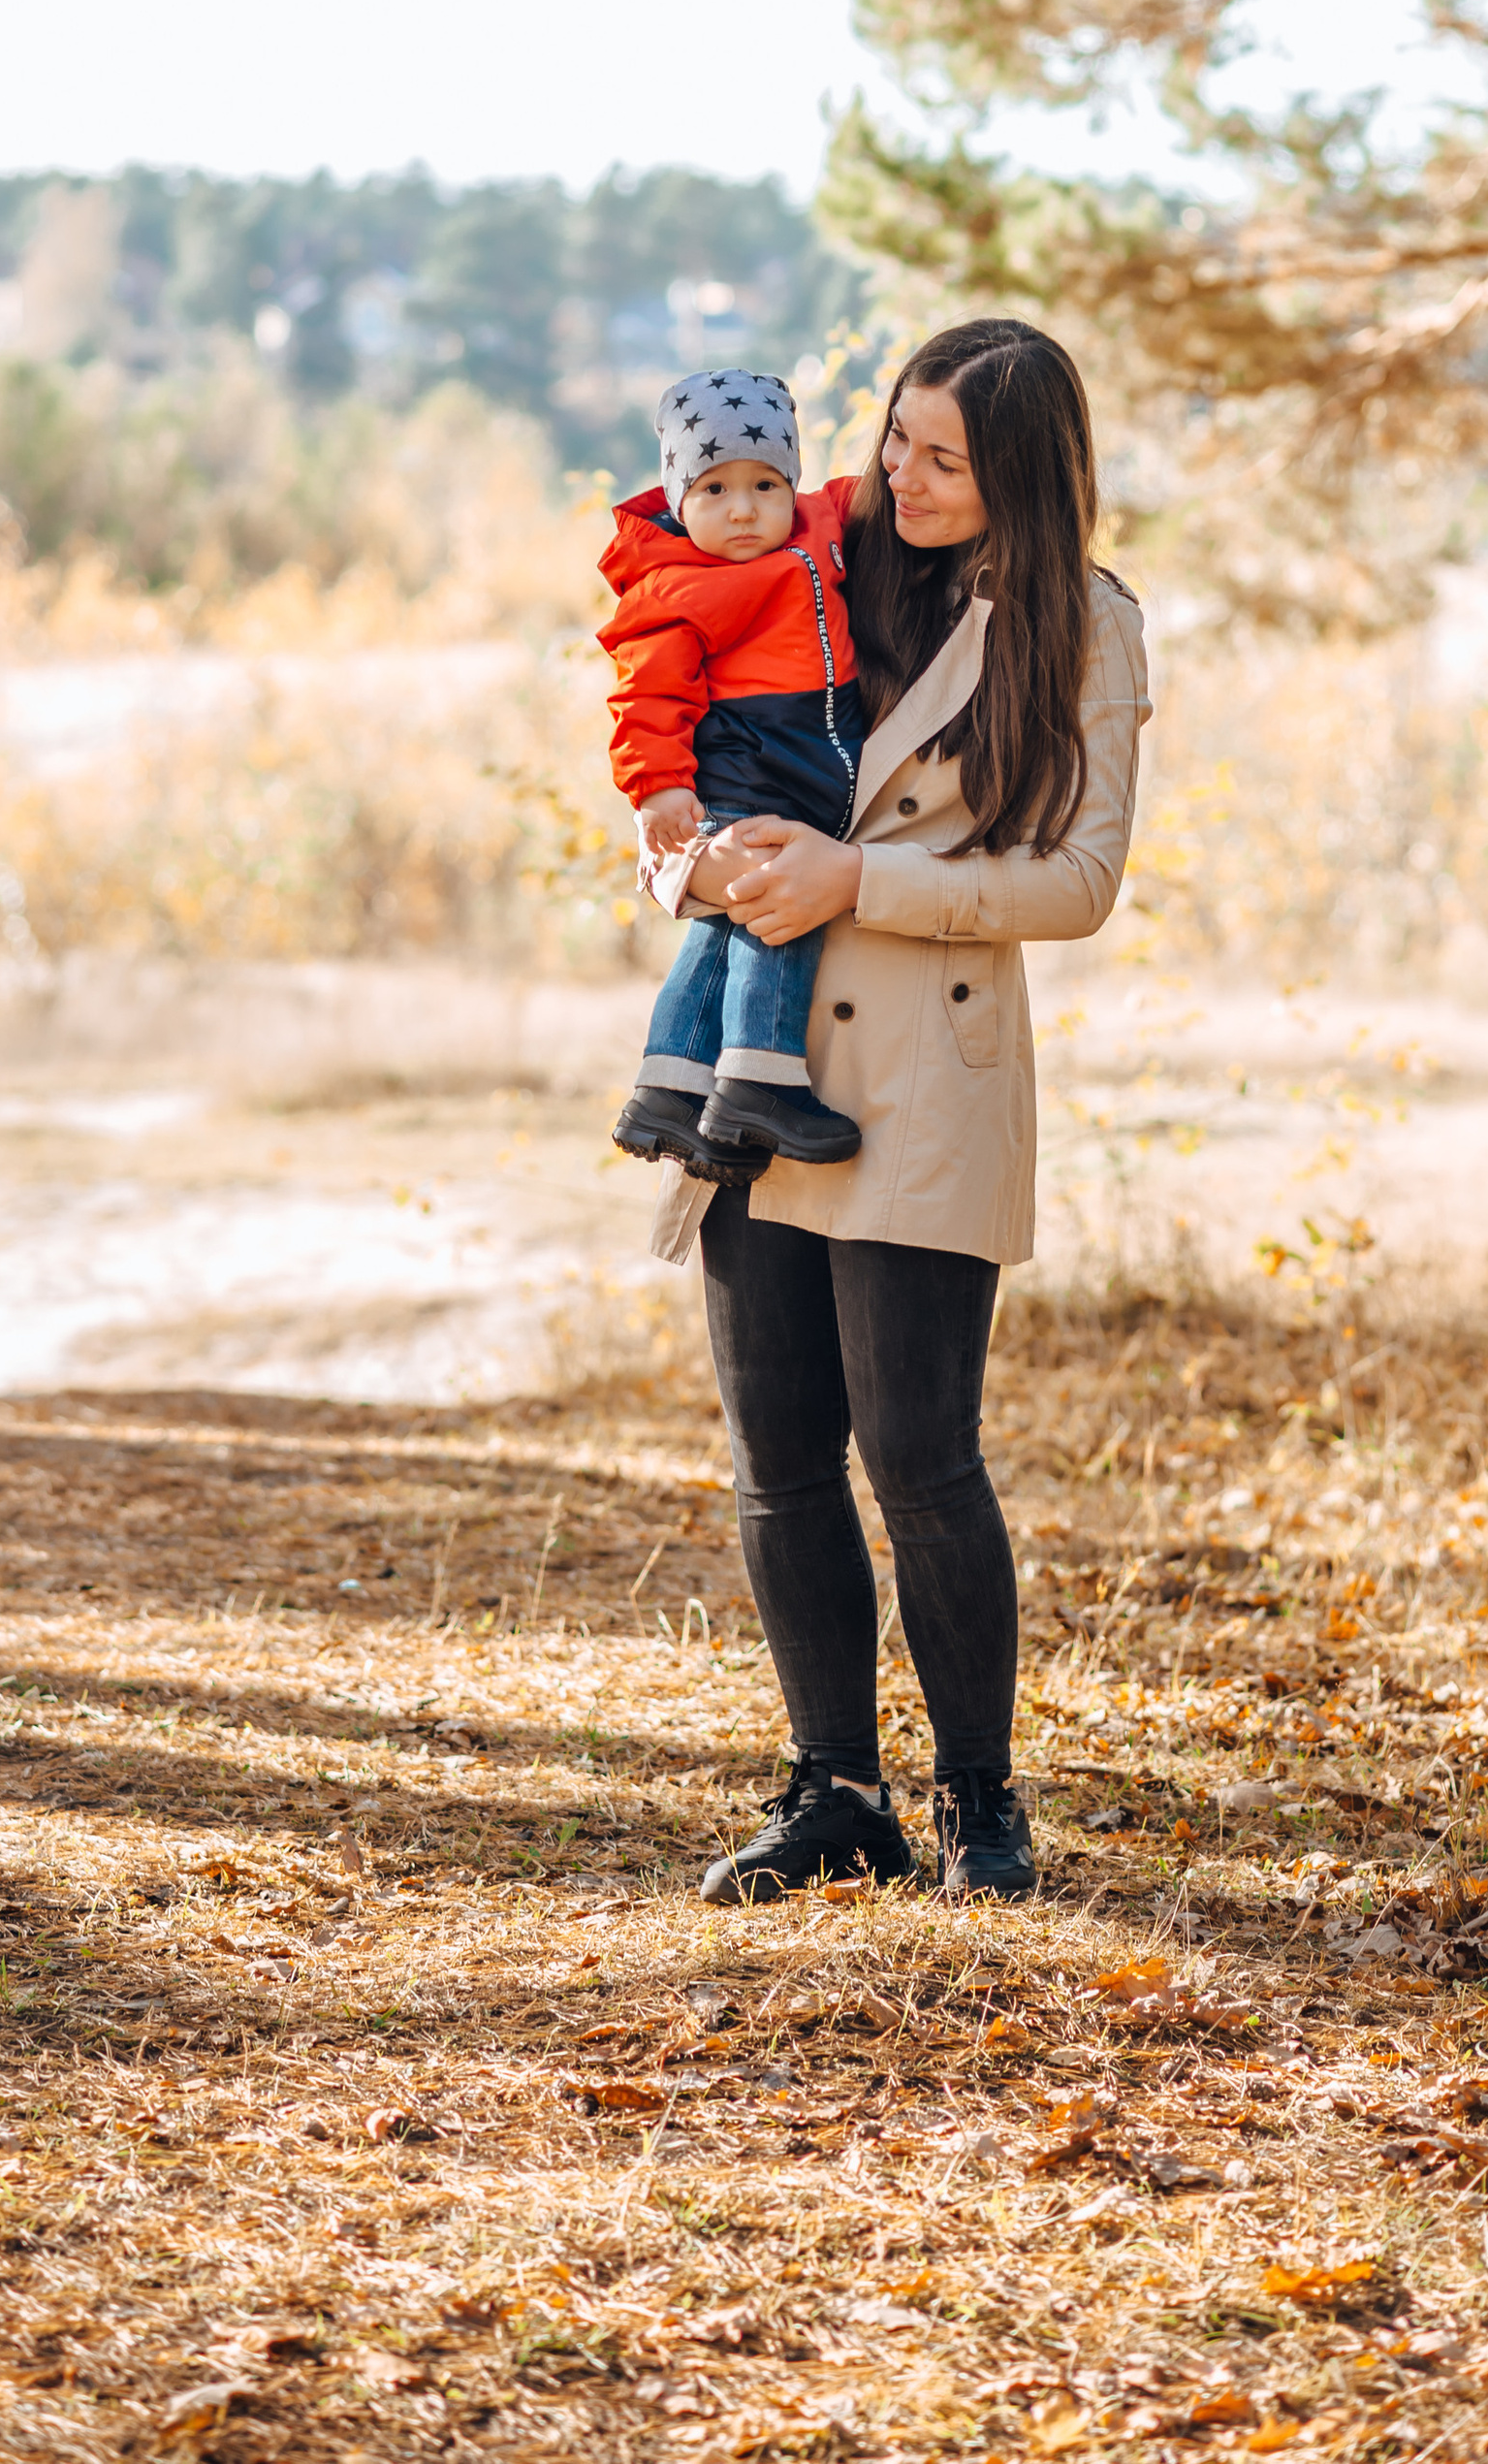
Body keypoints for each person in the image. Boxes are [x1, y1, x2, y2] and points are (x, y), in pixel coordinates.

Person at [641, 318, 1152, 1905]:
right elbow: (667, 714)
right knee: (779, 1452)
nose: (904, 477)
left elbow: (1079, 880)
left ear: (1027, 471)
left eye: (948, 458)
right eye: (902, 438)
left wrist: (864, 874)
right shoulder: (805, 546)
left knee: (921, 1456)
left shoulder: (1087, 623)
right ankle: (833, 1791)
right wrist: (684, 855)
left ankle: (980, 1805)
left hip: (930, 1074)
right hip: (758, 1055)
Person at [598, 367, 868, 1175]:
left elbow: (875, 492)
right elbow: (645, 693)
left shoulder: (819, 524)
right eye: (714, 488)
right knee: (775, 909)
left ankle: (669, 1090)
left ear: (794, 483)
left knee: (717, 933)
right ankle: (761, 1076)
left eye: (764, 484)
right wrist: (659, 786)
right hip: (753, 772)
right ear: (679, 497)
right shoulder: (677, 587)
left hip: (802, 763)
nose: (743, 509)